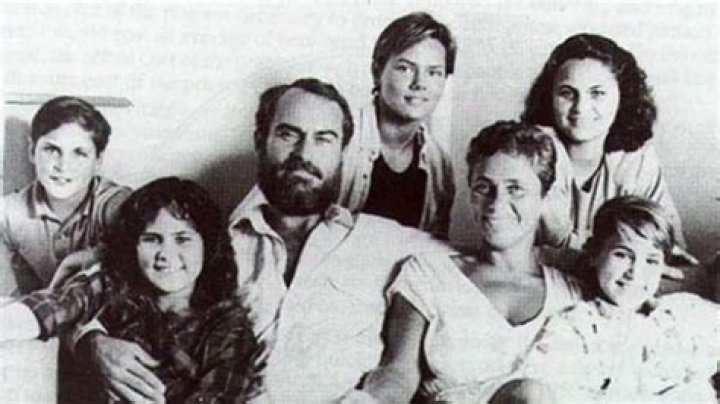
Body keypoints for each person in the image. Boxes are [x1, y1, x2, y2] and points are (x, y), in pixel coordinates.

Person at [84, 78, 449, 403]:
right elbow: (105, 279)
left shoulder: (383, 242)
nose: (304, 154)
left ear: (342, 153)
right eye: (289, 134)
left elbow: (474, 265)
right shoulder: (208, 243)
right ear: (261, 141)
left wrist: (394, 371)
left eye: (324, 139)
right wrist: (91, 342)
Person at [340, 121, 582, 403]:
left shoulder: (571, 293)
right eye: (483, 188)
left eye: (515, 189)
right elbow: (397, 373)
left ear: (543, 198)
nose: (496, 204)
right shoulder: (429, 274)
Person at [0, 177, 263, 403]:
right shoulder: (113, 285)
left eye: (183, 239)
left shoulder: (227, 323)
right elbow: (56, 306)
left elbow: (219, 394)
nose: (166, 254)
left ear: (208, 246)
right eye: (152, 239)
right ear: (133, 246)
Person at [509, 196, 719, 402]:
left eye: (651, 261)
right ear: (594, 255)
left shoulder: (687, 311)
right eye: (622, 255)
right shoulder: (577, 328)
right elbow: (536, 392)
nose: (635, 273)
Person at [521, 33, 685, 256]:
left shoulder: (637, 161)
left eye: (597, 93)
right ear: (549, 97)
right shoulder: (530, 152)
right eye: (567, 93)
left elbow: (670, 248)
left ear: (623, 96)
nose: (580, 107)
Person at [339, 12, 456, 238]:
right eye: (405, 68)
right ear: (377, 72)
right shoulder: (340, 136)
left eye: (433, 72)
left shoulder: (440, 164)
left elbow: (433, 248)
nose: (420, 84)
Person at [0, 95, 131, 295]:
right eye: (52, 149)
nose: (63, 166)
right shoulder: (8, 214)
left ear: (98, 160)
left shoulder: (115, 205)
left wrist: (94, 255)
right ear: (32, 151)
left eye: (79, 153)